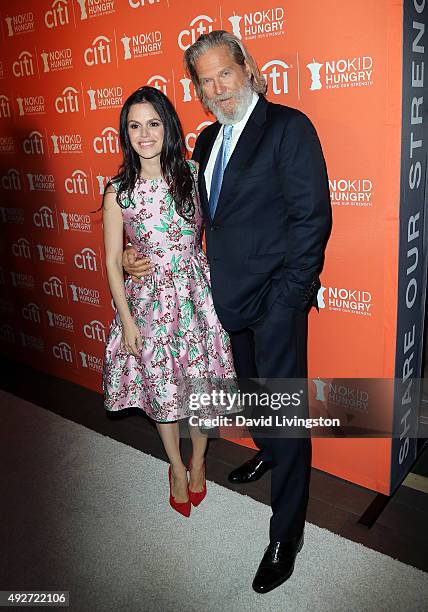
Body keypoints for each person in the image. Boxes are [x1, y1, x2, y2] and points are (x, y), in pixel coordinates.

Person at [123, 31, 331, 593]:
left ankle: (286, 534)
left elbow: (313, 220)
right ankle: (264, 452)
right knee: (248, 390)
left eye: (224, 74)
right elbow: (181, 220)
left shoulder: (289, 128)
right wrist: (127, 253)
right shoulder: (208, 141)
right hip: (223, 298)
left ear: (247, 69)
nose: (216, 89)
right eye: (204, 81)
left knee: (285, 415)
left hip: (276, 302)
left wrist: (290, 296)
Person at [102, 85, 236, 519]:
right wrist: (126, 321)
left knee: (200, 388)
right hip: (149, 302)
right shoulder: (118, 190)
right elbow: (110, 259)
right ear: (126, 133)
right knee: (162, 389)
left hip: (198, 295)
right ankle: (176, 467)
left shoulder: (194, 175)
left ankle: (199, 460)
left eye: (153, 123)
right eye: (135, 126)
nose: (145, 134)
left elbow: (219, 229)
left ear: (168, 127)